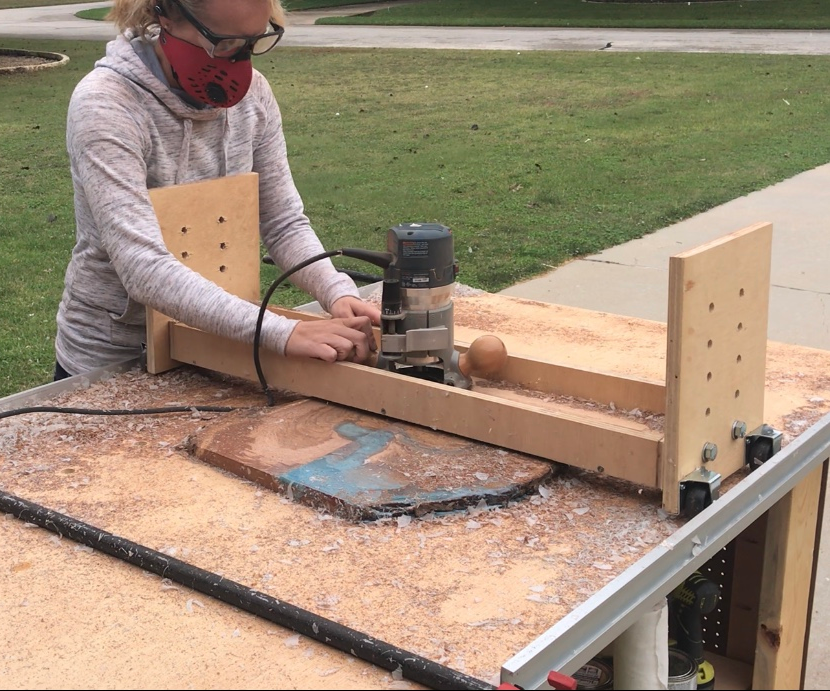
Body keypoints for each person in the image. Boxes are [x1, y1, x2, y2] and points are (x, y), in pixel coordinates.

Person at [54, 0, 380, 381]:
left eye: (253, 43)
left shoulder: (254, 96)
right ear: (165, 16)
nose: (239, 62)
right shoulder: (107, 104)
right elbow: (142, 265)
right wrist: (280, 330)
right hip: (114, 359)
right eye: (224, 44)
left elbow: (282, 221)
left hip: (220, 341)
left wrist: (337, 293)